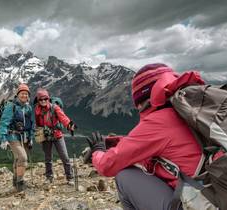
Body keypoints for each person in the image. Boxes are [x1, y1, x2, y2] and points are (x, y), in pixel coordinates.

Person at [85, 63, 205, 210]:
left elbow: (107, 166)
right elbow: (148, 144)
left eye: (137, 103)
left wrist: (97, 151)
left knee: (124, 176)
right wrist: (113, 142)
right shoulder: (188, 110)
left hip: (198, 204)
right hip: (219, 197)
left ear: (143, 98)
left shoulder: (159, 121)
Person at [34, 88, 77, 185]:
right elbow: (37, 123)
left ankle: (70, 177)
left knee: (64, 156)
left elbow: (63, 117)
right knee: (48, 157)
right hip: (45, 135)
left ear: (48, 99)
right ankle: (49, 177)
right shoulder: (37, 110)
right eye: (41, 99)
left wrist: (70, 125)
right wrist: (38, 133)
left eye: (45, 99)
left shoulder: (55, 108)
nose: (43, 101)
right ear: (38, 100)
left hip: (57, 135)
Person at [0, 83, 34, 192]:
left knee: (17, 158)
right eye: (22, 93)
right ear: (18, 94)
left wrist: (31, 137)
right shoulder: (11, 107)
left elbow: (30, 124)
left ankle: (15, 180)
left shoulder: (28, 108)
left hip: (24, 136)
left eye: (26, 94)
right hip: (12, 135)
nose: (24, 96)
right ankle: (20, 183)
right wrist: (3, 139)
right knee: (23, 157)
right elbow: (4, 123)